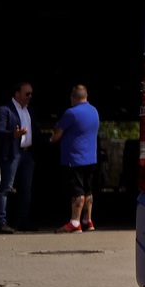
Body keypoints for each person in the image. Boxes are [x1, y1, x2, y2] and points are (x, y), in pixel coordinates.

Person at [51, 85, 101, 234]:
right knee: (88, 189)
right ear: (86, 96)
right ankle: (88, 220)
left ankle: (75, 222)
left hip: (74, 158)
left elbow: (57, 133)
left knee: (77, 190)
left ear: (72, 98)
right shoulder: (94, 111)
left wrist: (54, 134)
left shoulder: (71, 113)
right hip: (91, 158)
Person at [0, 81, 35, 233]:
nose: (30, 97)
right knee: (5, 188)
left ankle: (23, 221)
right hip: (12, 152)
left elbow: (35, 130)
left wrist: (51, 138)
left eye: (31, 94)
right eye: (27, 94)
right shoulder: (5, 110)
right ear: (17, 94)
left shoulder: (29, 110)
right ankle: (1, 222)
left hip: (27, 153)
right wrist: (13, 134)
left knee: (26, 189)